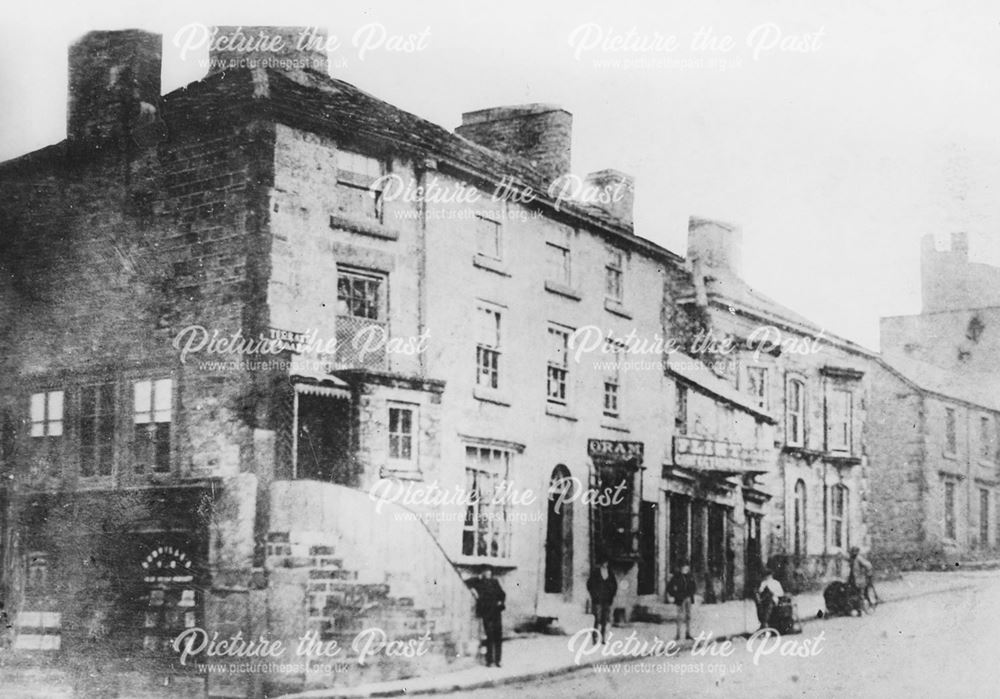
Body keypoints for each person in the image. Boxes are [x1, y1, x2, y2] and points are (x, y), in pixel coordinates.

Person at [467, 566, 506, 667]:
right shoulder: (479, 582)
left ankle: (498, 660)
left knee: (498, 636)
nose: (488, 573)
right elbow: (467, 582)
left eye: (489, 571)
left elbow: (502, 594)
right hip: (486, 612)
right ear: (483, 573)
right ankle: (489, 661)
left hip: (496, 612)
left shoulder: (495, 582)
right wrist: (474, 591)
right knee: (489, 636)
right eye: (486, 571)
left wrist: (500, 601)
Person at [586, 560, 617, 644]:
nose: (605, 564)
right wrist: (594, 595)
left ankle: (603, 638)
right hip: (597, 600)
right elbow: (589, 584)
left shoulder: (610, 573)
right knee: (597, 619)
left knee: (604, 620)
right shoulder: (596, 573)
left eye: (606, 562)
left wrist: (611, 595)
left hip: (606, 600)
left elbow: (614, 585)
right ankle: (595, 638)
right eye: (603, 562)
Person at [665, 563, 697, 641]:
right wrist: (676, 595)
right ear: (681, 568)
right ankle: (678, 634)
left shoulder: (690, 577)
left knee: (688, 616)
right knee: (680, 617)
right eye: (684, 567)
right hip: (680, 599)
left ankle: (688, 633)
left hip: (688, 598)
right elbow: (669, 588)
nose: (685, 569)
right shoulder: (676, 577)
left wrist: (690, 594)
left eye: (687, 567)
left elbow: (694, 587)